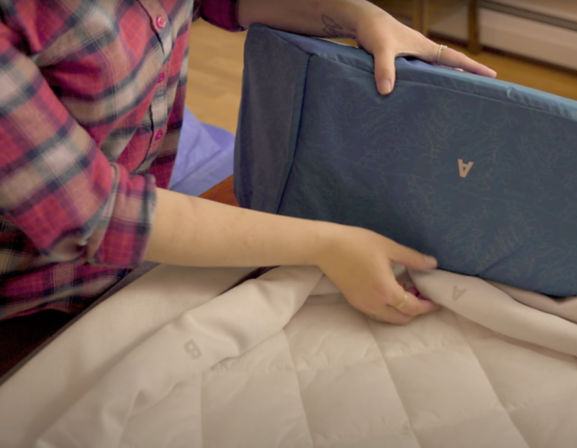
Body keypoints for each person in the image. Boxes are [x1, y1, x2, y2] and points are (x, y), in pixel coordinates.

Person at [0, 1, 496, 326]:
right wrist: (325, 243)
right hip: (37, 302)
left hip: (143, 211)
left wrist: (358, 16)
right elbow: (97, 214)